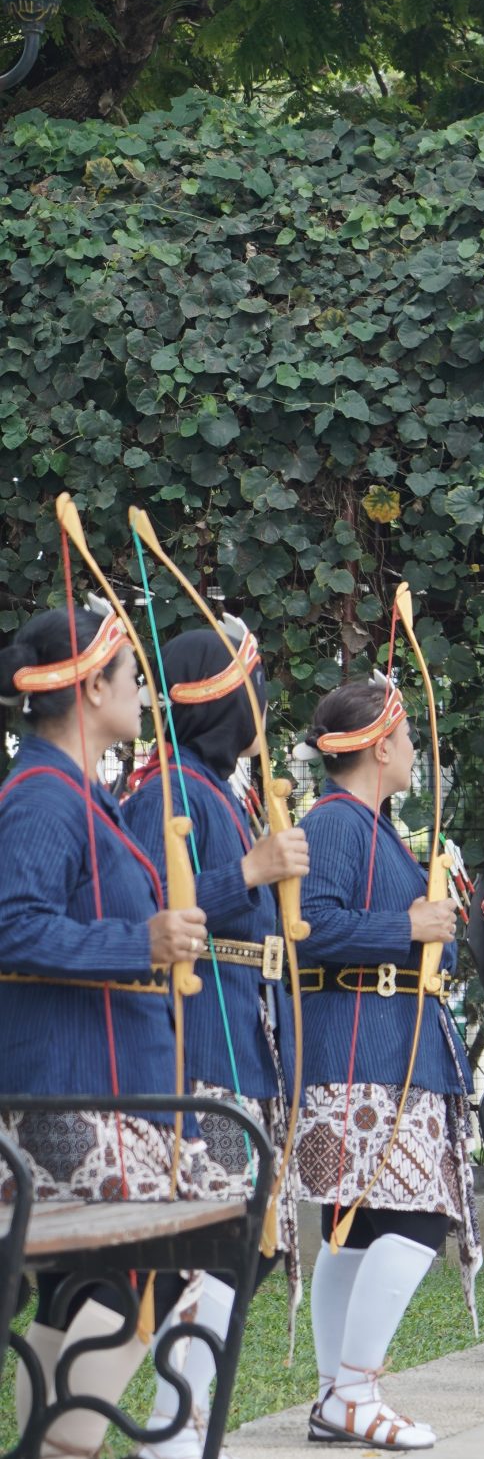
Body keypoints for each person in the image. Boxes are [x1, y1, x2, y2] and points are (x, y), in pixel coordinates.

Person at [0, 605, 210, 1459]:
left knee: (89, 1287)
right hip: (70, 1093)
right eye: (133, 675)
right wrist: (141, 941)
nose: (145, 692)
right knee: (153, 1269)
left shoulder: (83, 794)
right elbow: (11, 924)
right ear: (92, 687)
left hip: (116, 1091)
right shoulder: (43, 796)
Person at [116, 625, 310, 1453]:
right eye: (253, 688)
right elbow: (149, 899)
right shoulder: (165, 790)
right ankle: (173, 1427)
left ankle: (185, 1421)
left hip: (243, 1029)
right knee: (209, 1243)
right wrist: (252, 874)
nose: (263, 707)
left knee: (248, 1242)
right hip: (197, 1040)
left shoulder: (219, 789)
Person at [293, 673, 478, 1448]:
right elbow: (310, 926)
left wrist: (440, 917)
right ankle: (356, 1388)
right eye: (404, 740)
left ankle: (342, 1393)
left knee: (362, 1226)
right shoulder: (336, 822)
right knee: (411, 1219)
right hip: (362, 1048)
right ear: (378, 745)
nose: (412, 753)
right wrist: (408, 921)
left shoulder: (374, 828)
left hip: (388, 1043)